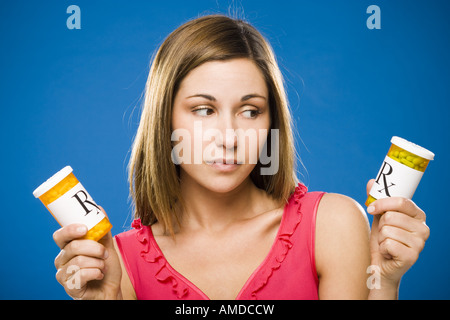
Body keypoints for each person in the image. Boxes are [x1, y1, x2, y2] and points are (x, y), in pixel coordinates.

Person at [52, 14, 430, 300]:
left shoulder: (331, 225)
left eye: (250, 111)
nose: (230, 137)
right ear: (164, 120)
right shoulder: (117, 264)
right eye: (203, 110)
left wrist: (384, 281)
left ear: (271, 122)